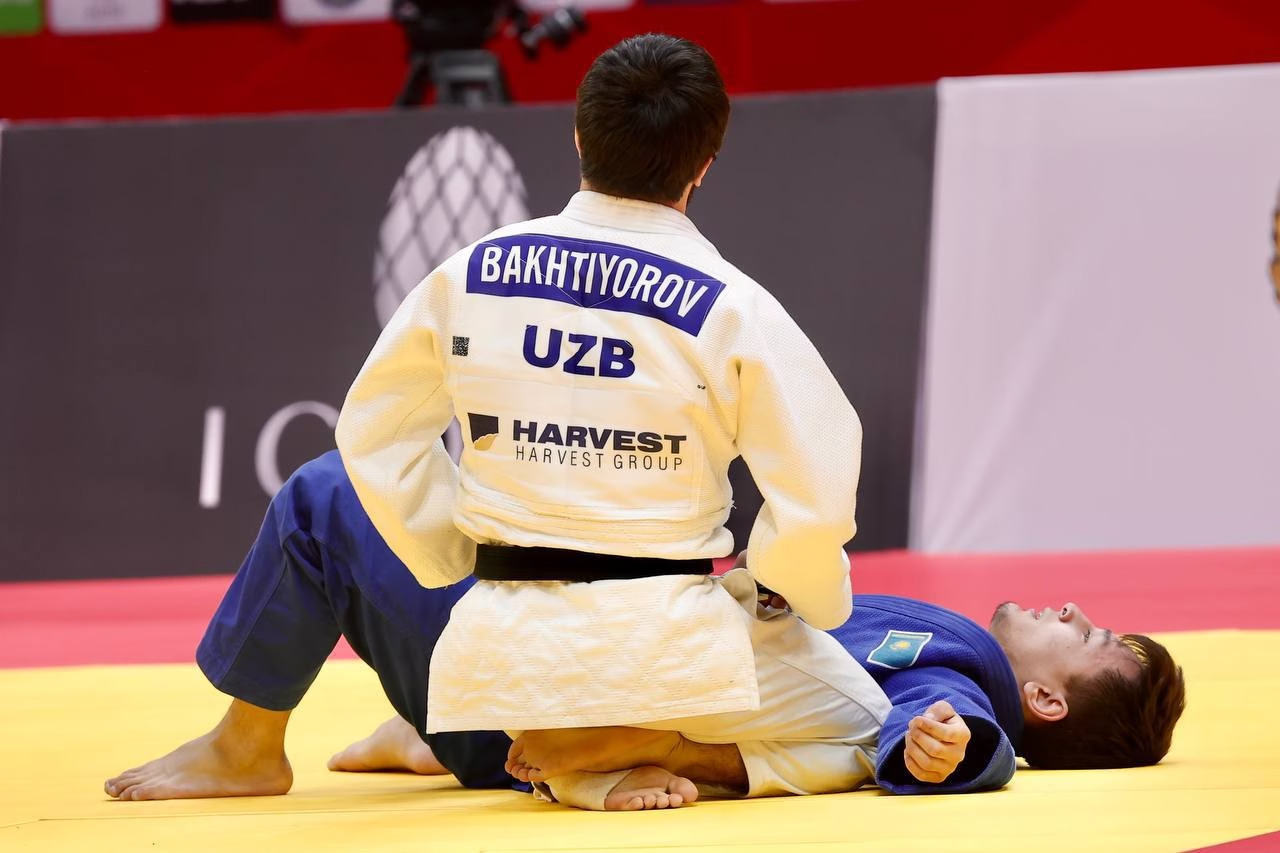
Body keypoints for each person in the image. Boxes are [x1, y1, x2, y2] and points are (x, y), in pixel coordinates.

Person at [333, 32, 872, 803]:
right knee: (875, 731)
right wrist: (803, 596)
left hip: (495, 658)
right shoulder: (731, 306)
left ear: (581, 137)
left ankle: (584, 770)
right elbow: (815, 498)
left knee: (543, 665)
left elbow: (373, 430)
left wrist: (453, 550)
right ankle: (659, 749)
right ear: (704, 163)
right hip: (670, 656)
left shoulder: (472, 271)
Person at [104, 452, 1186, 806]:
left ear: (1044, 701)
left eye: (1090, 637)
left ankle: (247, 748)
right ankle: (434, 729)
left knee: (326, 495)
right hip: (590, 652)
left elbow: (923, 733)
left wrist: (948, 749)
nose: (1073, 611)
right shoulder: (958, 642)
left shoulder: (960, 681)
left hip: (560, 699)